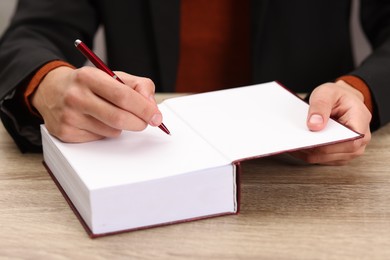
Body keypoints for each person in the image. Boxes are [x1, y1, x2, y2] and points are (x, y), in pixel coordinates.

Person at [0, 0, 388, 165]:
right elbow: (33, 32)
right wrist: (48, 83)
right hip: (147, 162)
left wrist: (360, 89)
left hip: (310, 171)